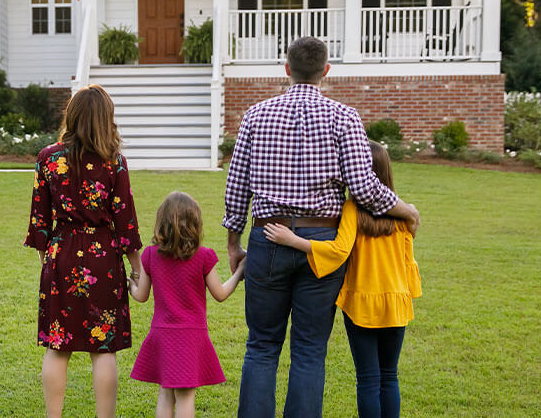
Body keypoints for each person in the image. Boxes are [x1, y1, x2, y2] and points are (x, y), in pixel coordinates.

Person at [222, 36, 421, 418]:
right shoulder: (344, 117)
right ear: (326, 71)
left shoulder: (256, 115)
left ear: (286, 69)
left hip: (268, 236)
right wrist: (405, 209)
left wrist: (233, 242)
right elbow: (364, 188)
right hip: (323, 243)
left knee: (261, 346)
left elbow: (237, 185)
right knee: (310, 350)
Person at [264, 141, 422, 418]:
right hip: (397, 303)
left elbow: (338, 250)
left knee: (369, 379)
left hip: (361, 305)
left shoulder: (351, 208)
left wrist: (293, 240)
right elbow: (408, 261)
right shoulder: (405, 214)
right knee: (389, 376)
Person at [25, 84, 143, 418]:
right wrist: (136, 270)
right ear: (106, 119)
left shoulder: (47, 159)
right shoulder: (114, 161)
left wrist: (47, 262)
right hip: (103, 258)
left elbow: (39, 222)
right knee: (103, 348)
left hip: (61, 255)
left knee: (57, 346)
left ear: (72, 115)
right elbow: (126, 222)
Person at [128, 191, 245, 418]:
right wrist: (240, 272)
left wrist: (130, 285)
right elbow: (220, 294)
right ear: (195, 225)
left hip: (162, 335)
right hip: (191, 336)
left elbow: (141, 296)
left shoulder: (151, 255)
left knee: (165, 392)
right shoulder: (203, 257)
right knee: (185, 396)